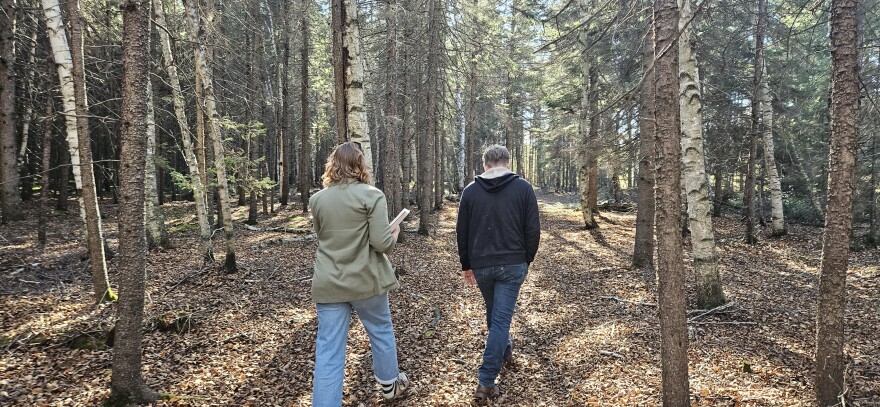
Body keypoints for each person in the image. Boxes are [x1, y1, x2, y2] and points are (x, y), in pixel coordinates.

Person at [309, 142, 409, 406]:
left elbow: (323, 236)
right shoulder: (372, 195)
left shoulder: (317, 200)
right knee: (380, 330)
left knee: (329, 349)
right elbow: (382, 243)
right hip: (366, 280)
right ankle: (389, 387)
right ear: (360, 165)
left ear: (333, 165)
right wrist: (394, 234)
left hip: (328, 281)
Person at [456, 144, 540, 405]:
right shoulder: (523, 188)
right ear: (507, 162)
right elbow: (533, 230)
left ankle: (505, 352)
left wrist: (466, 264)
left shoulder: (470, 191)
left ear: (486, 165)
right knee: (500, 319)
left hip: (483, 264)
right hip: (512, 264)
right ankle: (486, 380)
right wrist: (526, 259)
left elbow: (462, 232)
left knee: (495, 315)